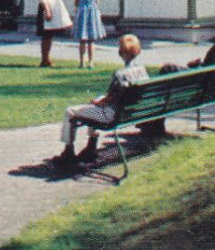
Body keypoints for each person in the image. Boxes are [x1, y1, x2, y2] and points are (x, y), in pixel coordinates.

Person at [56, 33, 148, 166]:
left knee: (70, 111)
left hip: (112, 115)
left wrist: (97, 102)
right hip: (130, 113)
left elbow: (108, 99)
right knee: (96, 102)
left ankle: (68, 152)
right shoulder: (142, 71)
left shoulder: (120, 74)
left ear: (120, 52)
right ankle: (90, 147)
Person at [158, 6, 215, 75]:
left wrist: (194, 66)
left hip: (208, 87)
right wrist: (199, 65)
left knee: (168, 68)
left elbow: (203, 73)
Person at [74, 0, 107, 68]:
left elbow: (76, 2)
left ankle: (81, 62)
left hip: (82, 13)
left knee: (82, 39)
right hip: (92, 13)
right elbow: (97, 0)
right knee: (91, 40)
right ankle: (91, 61)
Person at [38, 0, 74, 68]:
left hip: (48, 18)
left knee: (48, 38)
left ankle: (46, 59)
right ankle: (44, 59)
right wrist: (47, 13)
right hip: (45, 18)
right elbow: (43, 2)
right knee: (46, 37)